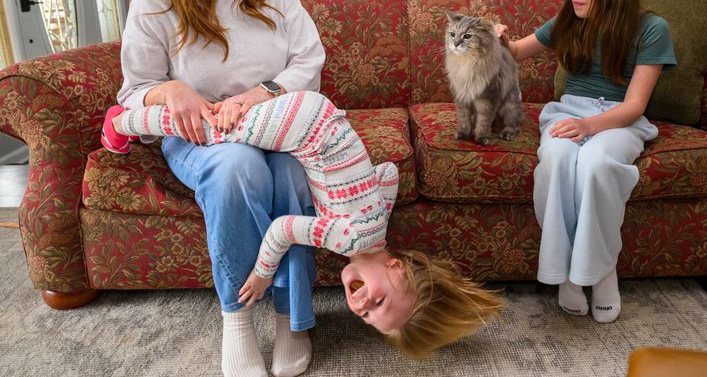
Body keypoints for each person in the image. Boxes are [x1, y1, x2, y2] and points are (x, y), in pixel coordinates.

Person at [102, 90, 505, 359]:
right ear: (396, 266)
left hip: (319, 116)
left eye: (365, 316)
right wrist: (260, 277)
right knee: (210, 130)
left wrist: (352, 183)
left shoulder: (377, 224)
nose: (361, 304)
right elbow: (281, 232)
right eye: (377, 302)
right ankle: (121, 124)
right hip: (303, 125)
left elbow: (387, 173)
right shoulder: (346, 235)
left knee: (220, 131)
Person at [116, 0, 326, 377]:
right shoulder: (153, 3)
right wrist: (172, 90)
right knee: (237, 168)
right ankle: (236, 317)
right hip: (204, 142)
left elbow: (309, 61)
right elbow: (132, 97)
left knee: (290, 173)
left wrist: (258, 95)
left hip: (277, 126)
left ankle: (289, 318)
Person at [496, 0, 676, 323]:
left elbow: (634, 106)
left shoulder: (652, 28)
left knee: (596, 165)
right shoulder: (568, 19)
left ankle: (599, 273)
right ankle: (568, 278)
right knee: (558, 161)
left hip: (618, 120)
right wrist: (500, 41)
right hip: (567, 112)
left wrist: (588, 125)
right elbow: (516, 52)